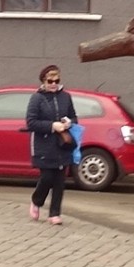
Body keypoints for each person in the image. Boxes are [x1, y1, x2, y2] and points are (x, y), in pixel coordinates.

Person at [24, 64, 79, 224]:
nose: (54, 84)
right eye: (50, 81)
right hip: (44, 145)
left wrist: (68, 123)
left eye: (57, 80)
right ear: (44, 81)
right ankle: (37, 201)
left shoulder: (66, 97)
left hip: (62, 144)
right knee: (47, 177)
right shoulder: (37, 98)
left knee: (59, 181)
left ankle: (54, 213)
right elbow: (31, 122)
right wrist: (52, 126)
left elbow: (74, 117)